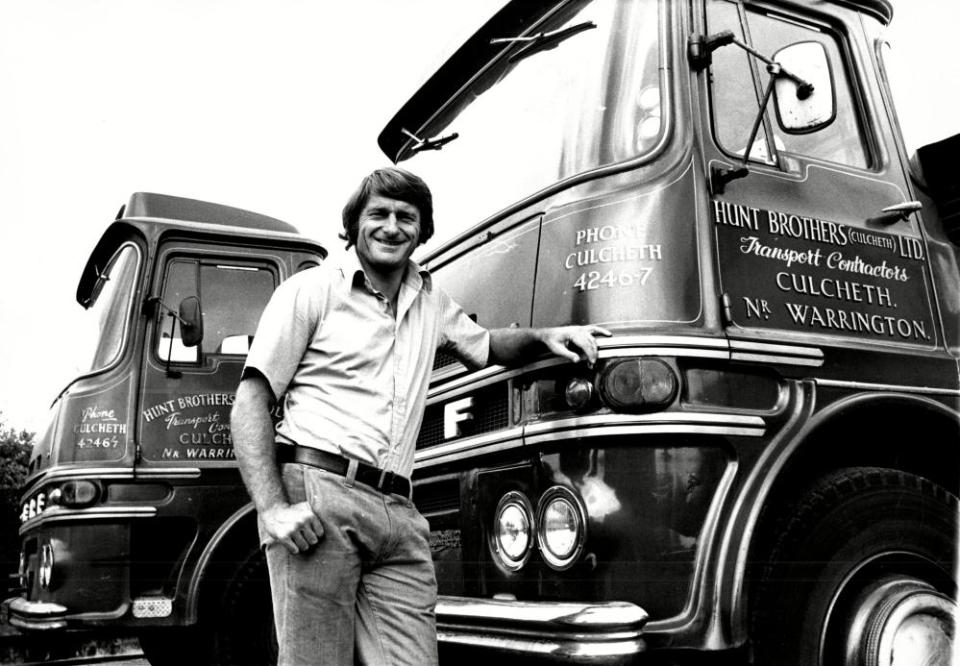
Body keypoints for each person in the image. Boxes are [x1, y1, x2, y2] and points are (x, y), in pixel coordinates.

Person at [231, 167, 610, 666]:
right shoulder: (312, 291)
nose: (392, 227)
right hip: (321, 495)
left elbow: (487, 344)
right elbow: (250, 402)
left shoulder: (430, 300)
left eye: (406, 217)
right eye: (378, 215)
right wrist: (274, 509)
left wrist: (545, 337)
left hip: (399, 512)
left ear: (421, 230)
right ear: (354, 225)